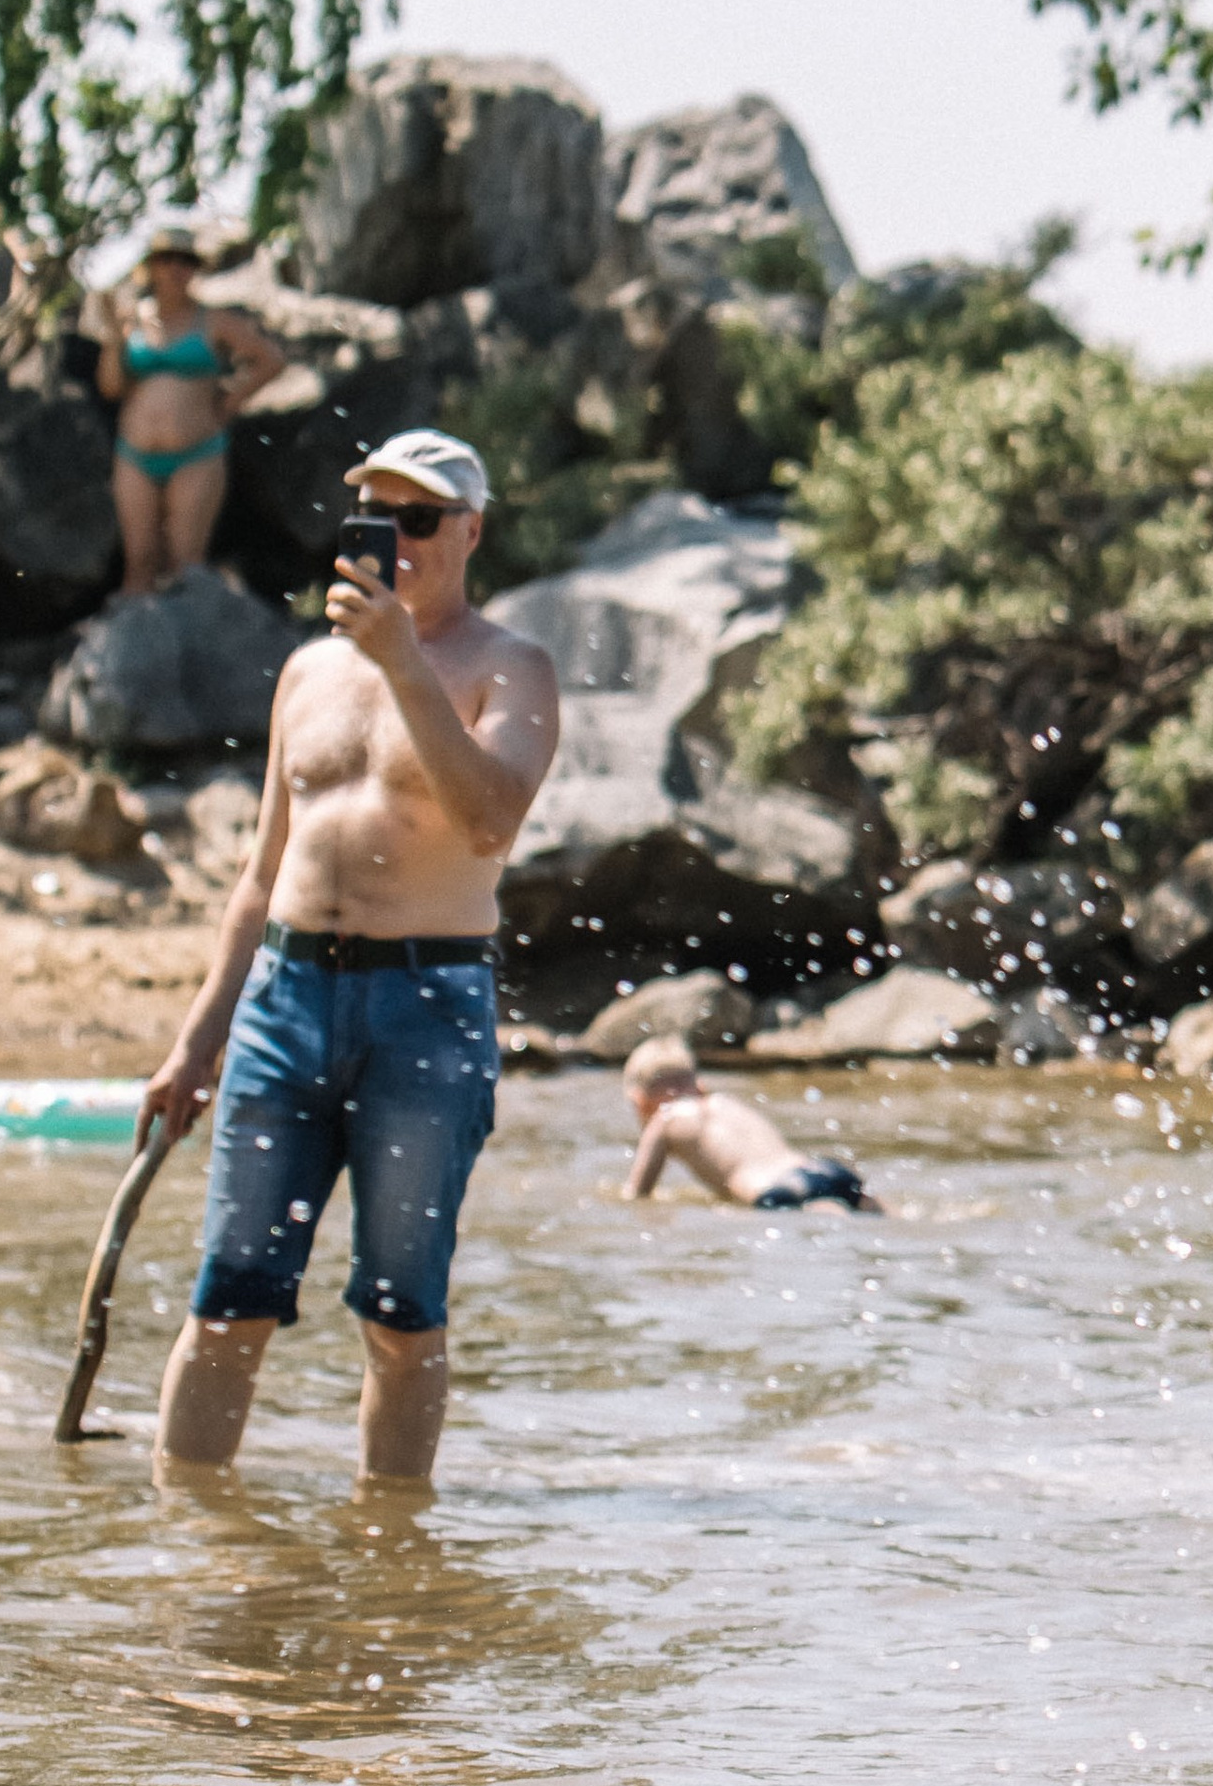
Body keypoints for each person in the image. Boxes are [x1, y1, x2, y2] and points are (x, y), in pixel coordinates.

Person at [141, 429, 559, 1485]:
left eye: (420, 519)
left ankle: (392, 1570)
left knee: (399, 1311)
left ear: (472, 531)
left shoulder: (513, 667)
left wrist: (404, 666)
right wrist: (196, 1045)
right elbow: (258, 870)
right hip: (286, 999)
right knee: (229, 1297)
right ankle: (186, 1554)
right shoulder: (306, 672)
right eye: (378, 517)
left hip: (426, 1003)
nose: (399, 539)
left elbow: (489, 822)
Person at [84, 212, 284, 597]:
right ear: (151, 267)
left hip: (197, 454)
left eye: (187, 261)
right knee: (139, 564)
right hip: (134, 455)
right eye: (168, 259)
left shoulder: (214, 320)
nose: (178, 268)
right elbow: (110, 388)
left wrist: (229, 402)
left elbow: (271, 359)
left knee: (185, 567)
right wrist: (112, 338)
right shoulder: (131, 321)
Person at [620, 1039, 879, 1210]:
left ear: (639, 1102)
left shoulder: (664, 1120)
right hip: (824, 1170)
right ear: (701, 1087)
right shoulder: (724, 1102)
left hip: (779, 1191)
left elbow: (637, 1194)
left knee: (828, 1215)